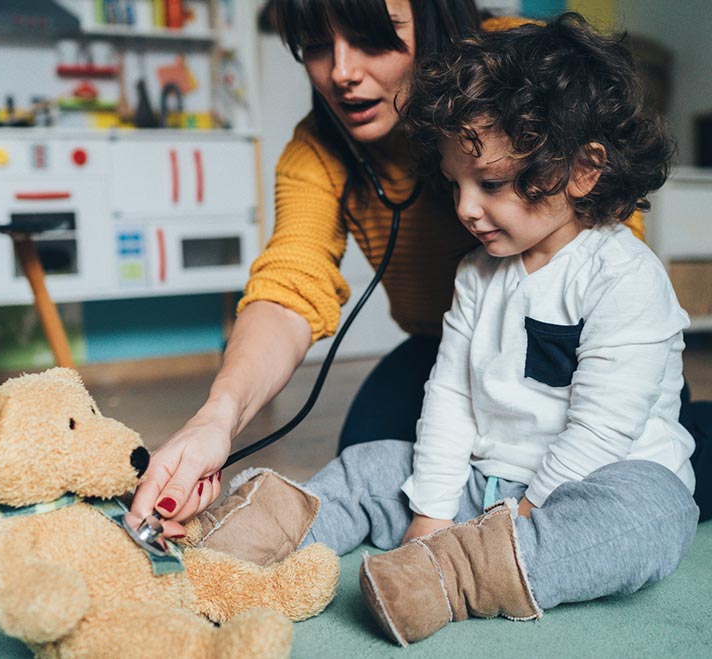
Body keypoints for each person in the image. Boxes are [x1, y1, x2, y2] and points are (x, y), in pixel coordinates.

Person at [187, 13, 700, 646]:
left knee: (653, 513)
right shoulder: (477, 273)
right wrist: (431, 512)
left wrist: (521, 519)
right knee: (369, 465)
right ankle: (254, 530)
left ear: (583, 170)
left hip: (586, 482)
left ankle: (457, 576)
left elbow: (601, 428)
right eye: (454, 183)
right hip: (490, 476)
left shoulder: (622, 275)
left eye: (487, 184)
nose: (464, 209)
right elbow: (450, 395)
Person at [129, 0, 653, 535]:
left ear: (433, 20)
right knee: (370, 455)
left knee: (640, 476)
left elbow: (603, 234)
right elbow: (288, 290)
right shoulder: (316, 151)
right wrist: (216, 419)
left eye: (374, 38)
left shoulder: (525, 62)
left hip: (571, 344)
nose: (342, 73)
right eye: (315, 47)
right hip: (448, 343)